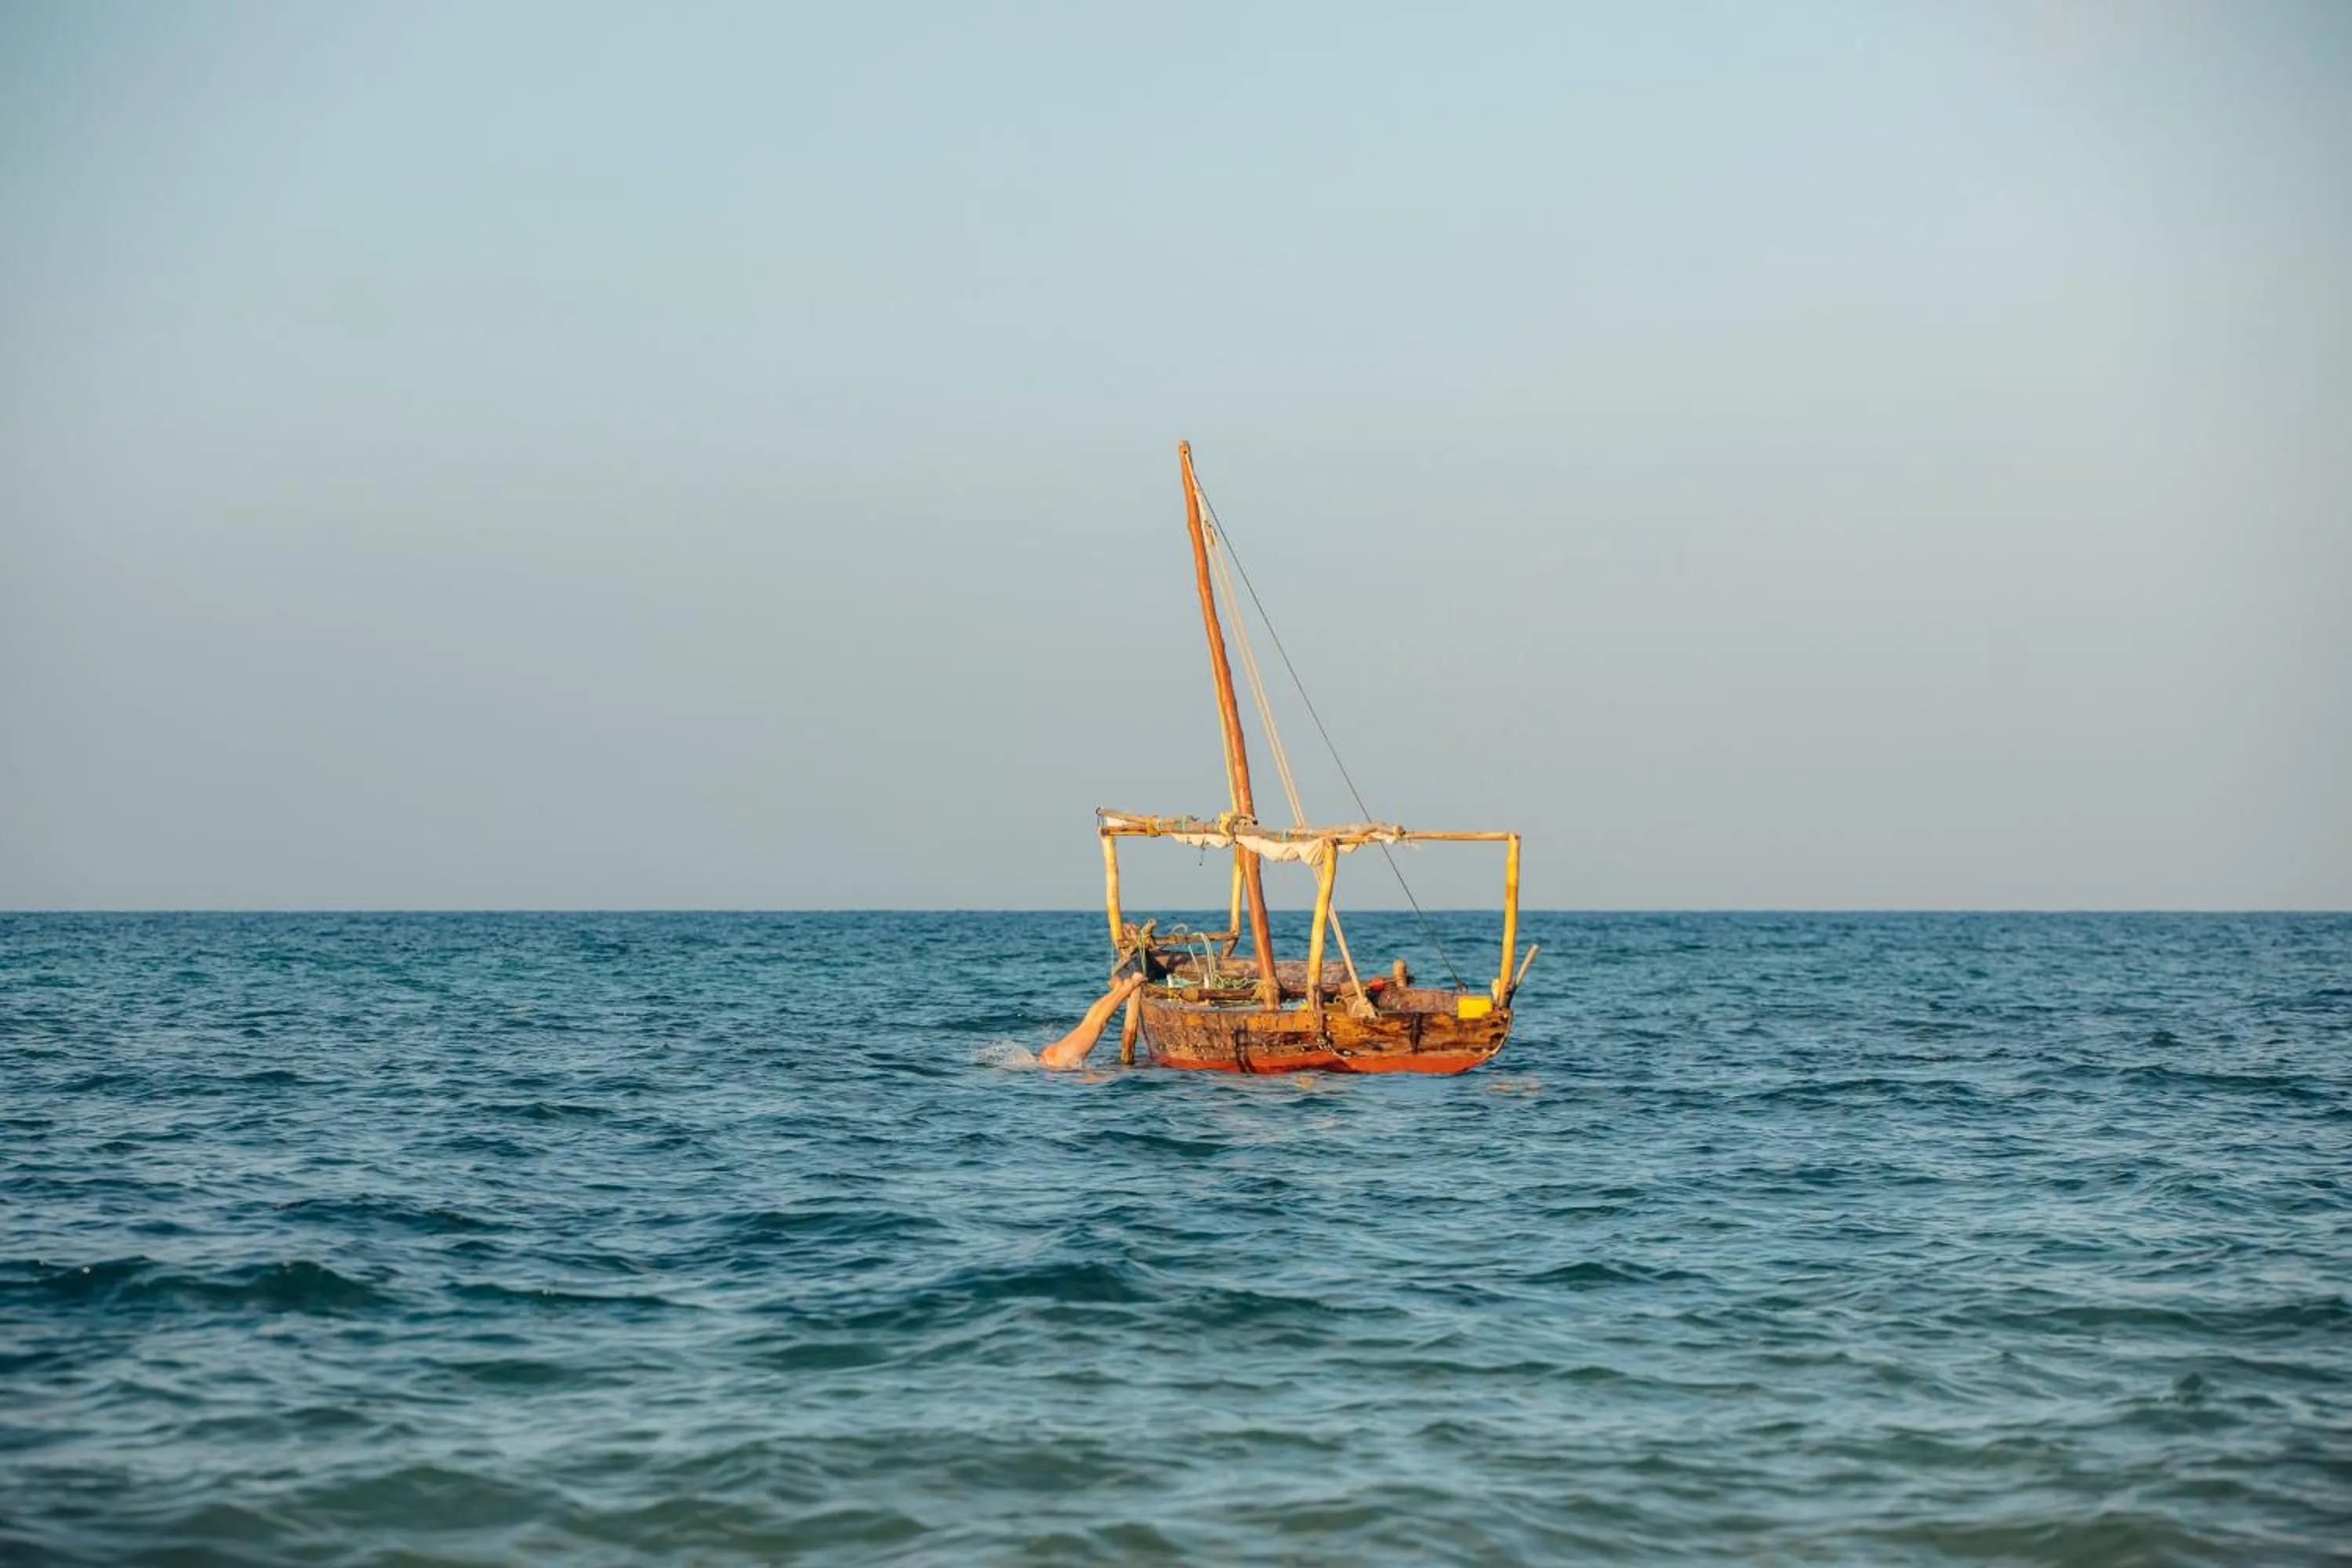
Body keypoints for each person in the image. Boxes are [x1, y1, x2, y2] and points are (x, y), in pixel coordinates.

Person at [1039, 972, 1146, 1069]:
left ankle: (1129, 986)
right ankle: (1120, 989)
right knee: (1090, 1021)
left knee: (1097, 1023)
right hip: (1055, 1056)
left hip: (1061, 1060)